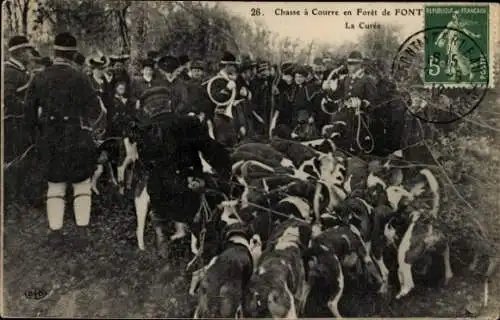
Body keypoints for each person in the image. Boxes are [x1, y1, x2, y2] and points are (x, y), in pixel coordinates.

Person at [24, 32, 103, 246]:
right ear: (73, 54)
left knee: (55, 184)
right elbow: (95, 110)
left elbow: (28, 113)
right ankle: (82, 231)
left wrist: (36, 138)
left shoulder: (39, 77)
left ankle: (56, 232)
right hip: (76, 135)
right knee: (81, 183)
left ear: (55, 51)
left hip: (50, 137)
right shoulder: (81, 77)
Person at [321, 51, 377, 154]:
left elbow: (373, 102)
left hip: (359, 116)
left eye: (354, 64)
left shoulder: (367, 80)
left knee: (353, 143)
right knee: (335, 137)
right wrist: (328, 89)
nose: (350, 66)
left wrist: (362, 103)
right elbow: (336, 95)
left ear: (360, 64)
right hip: (343, 114)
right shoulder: (345, 79)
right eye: (349, 64)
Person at [4, 35, 37, 202]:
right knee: (16, 159)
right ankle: (13, 197)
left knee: (24, 157)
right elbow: (8, 98)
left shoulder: (20, 71)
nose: (30, 55)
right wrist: (28, 108)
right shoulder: (9, 71)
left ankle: (20, 195)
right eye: (27, 51)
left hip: (22, 122)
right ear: (19, 52)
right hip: (13, 122)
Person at [204, 51, 242, 148]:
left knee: (233, 144)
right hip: (219, 117)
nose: (234, 68)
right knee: (223, 145)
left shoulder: (229, 80)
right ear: (227, 66)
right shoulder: (216, 80)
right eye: (233, 66)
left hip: (230, 118)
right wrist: (227, 89)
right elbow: (216, 98)